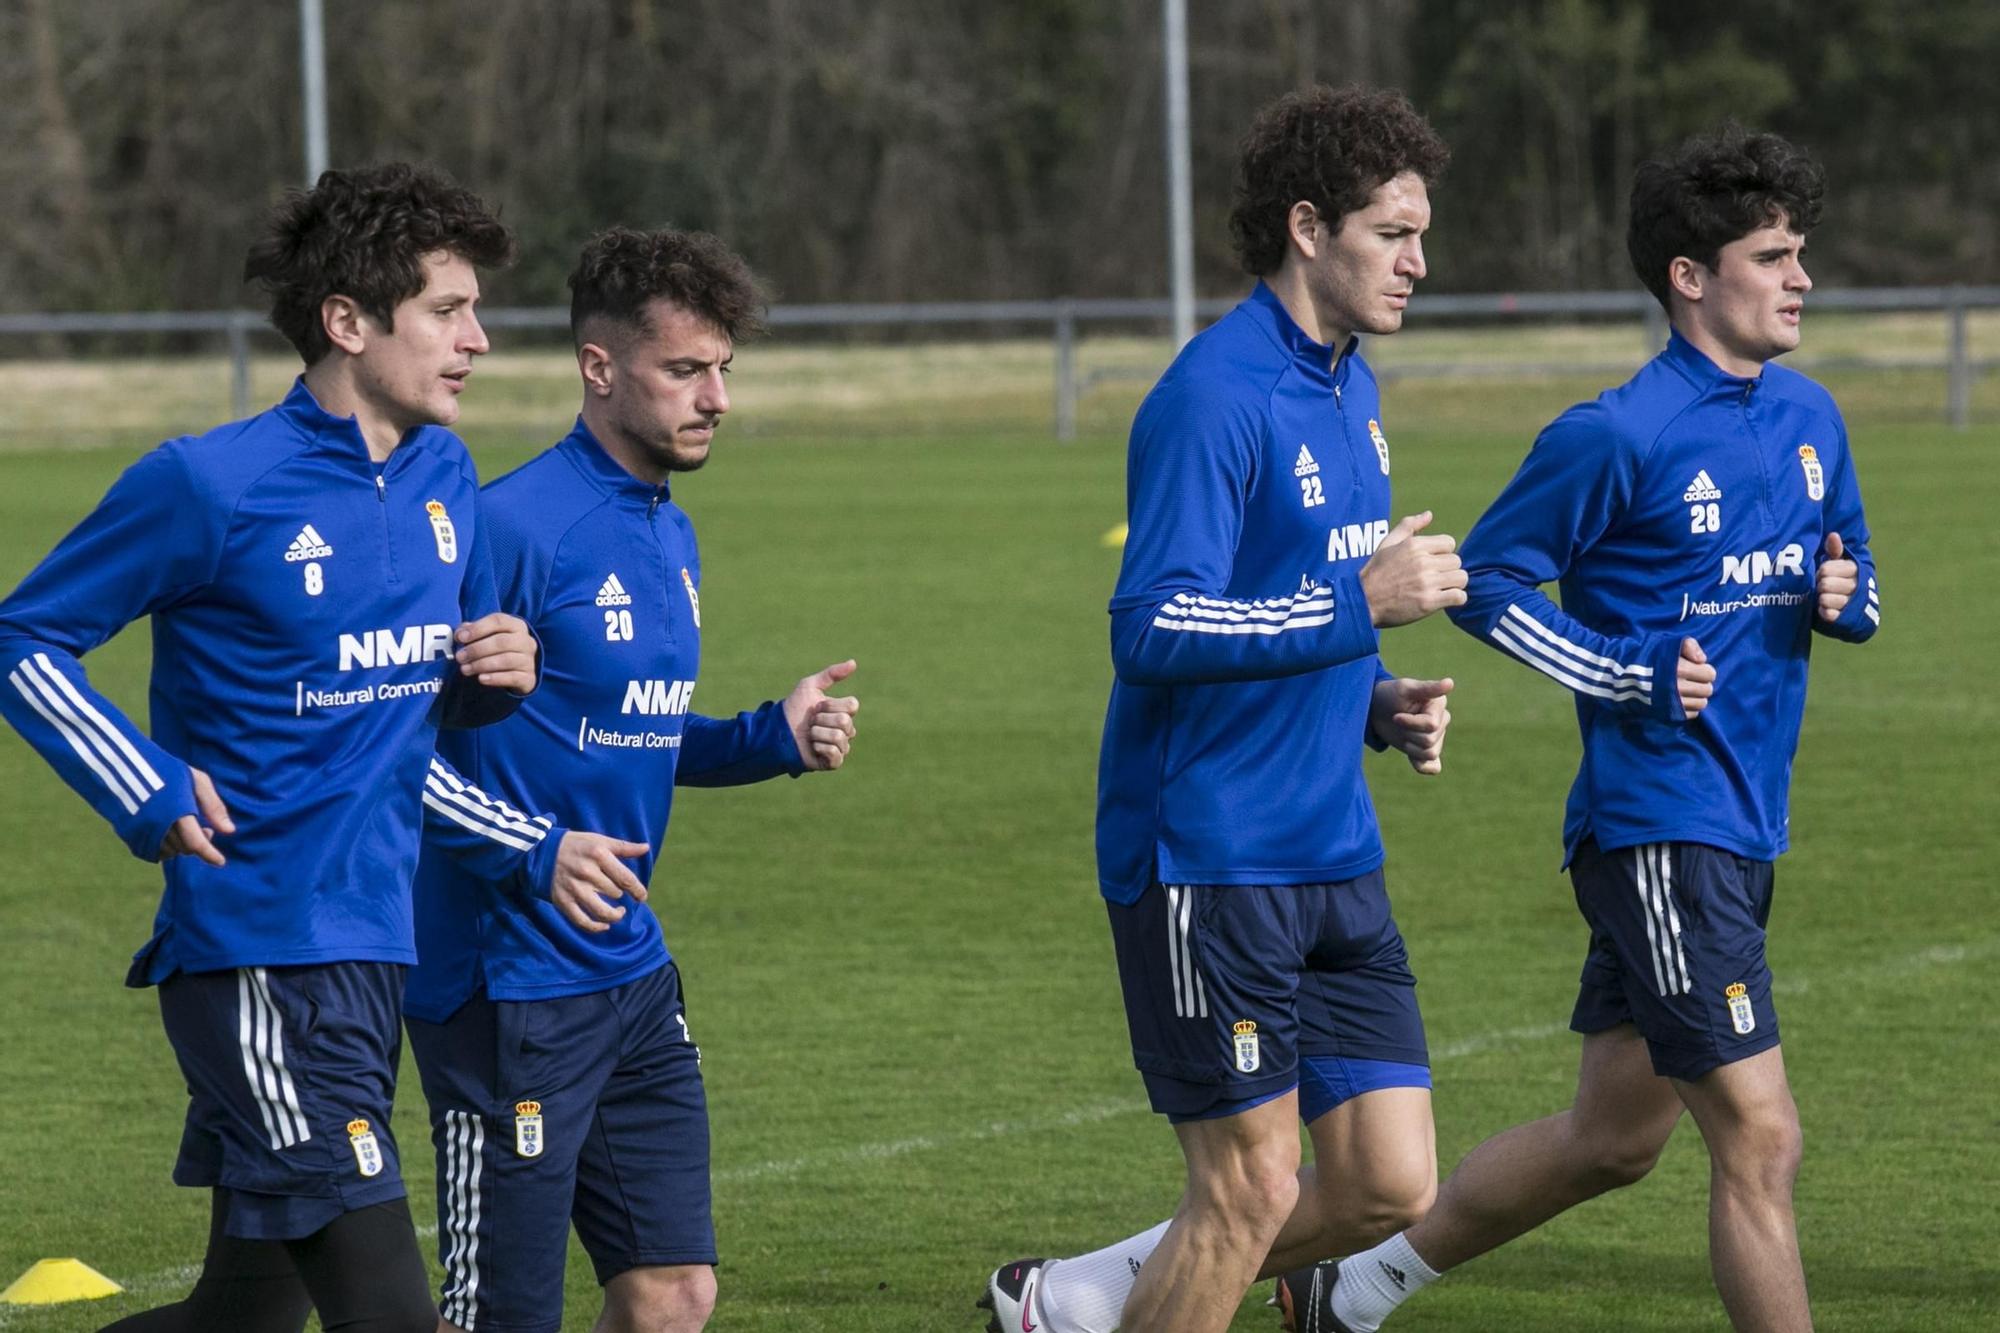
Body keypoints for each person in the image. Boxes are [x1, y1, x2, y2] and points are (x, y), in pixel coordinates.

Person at [1288, 126, 1877, 1333]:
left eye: (1798, 252)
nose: (1799, 279)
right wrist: (1625, 672)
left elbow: (1849, 559)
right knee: (1759, 1139)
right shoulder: (1615, 435)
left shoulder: (1810, 413)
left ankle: (1348, 1287)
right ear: (1688, 277)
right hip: (1658, 828)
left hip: (1746, 820)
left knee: (1611, 1141)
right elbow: (1485, 583)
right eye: (1771, 256)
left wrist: (1847, 597)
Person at [0, 163, 605, 1332]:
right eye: (446, 309)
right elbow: (24, 637)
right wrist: (144, 780)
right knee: (390, 1315)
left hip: (374, 952)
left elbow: (425, 708)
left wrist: (493, 677)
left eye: (475, 309)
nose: (477, 338)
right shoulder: (208, 483)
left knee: (247, 1319)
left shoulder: (444, 474)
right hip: (253, 960)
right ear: (347, 322)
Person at [981, 86, 1469, 1333]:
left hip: (1331, 848)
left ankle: (1080, 1295)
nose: (1419, 261)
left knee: (1384, 1182)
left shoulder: (1348, 388)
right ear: (1308, 227)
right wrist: (1356, 606)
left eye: (1421, 233)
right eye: (1392, 233)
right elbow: (1150, 627)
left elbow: (1284, 596)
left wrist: (1372, 699)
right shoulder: (1215, 394)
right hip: (1210, 853)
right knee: (1249, 1186)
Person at [401, 225, 861, 1333]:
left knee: (670, 1294)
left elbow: (628, 732)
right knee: (498, 1316)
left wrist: (769, 738)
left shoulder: (671, 531)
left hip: (629, 973)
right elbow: (386, 748)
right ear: (599, 369)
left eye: (723, 371)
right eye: (685, 371)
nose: (716, 400)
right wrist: (535, 850)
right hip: (504, 982)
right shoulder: (505, 526)